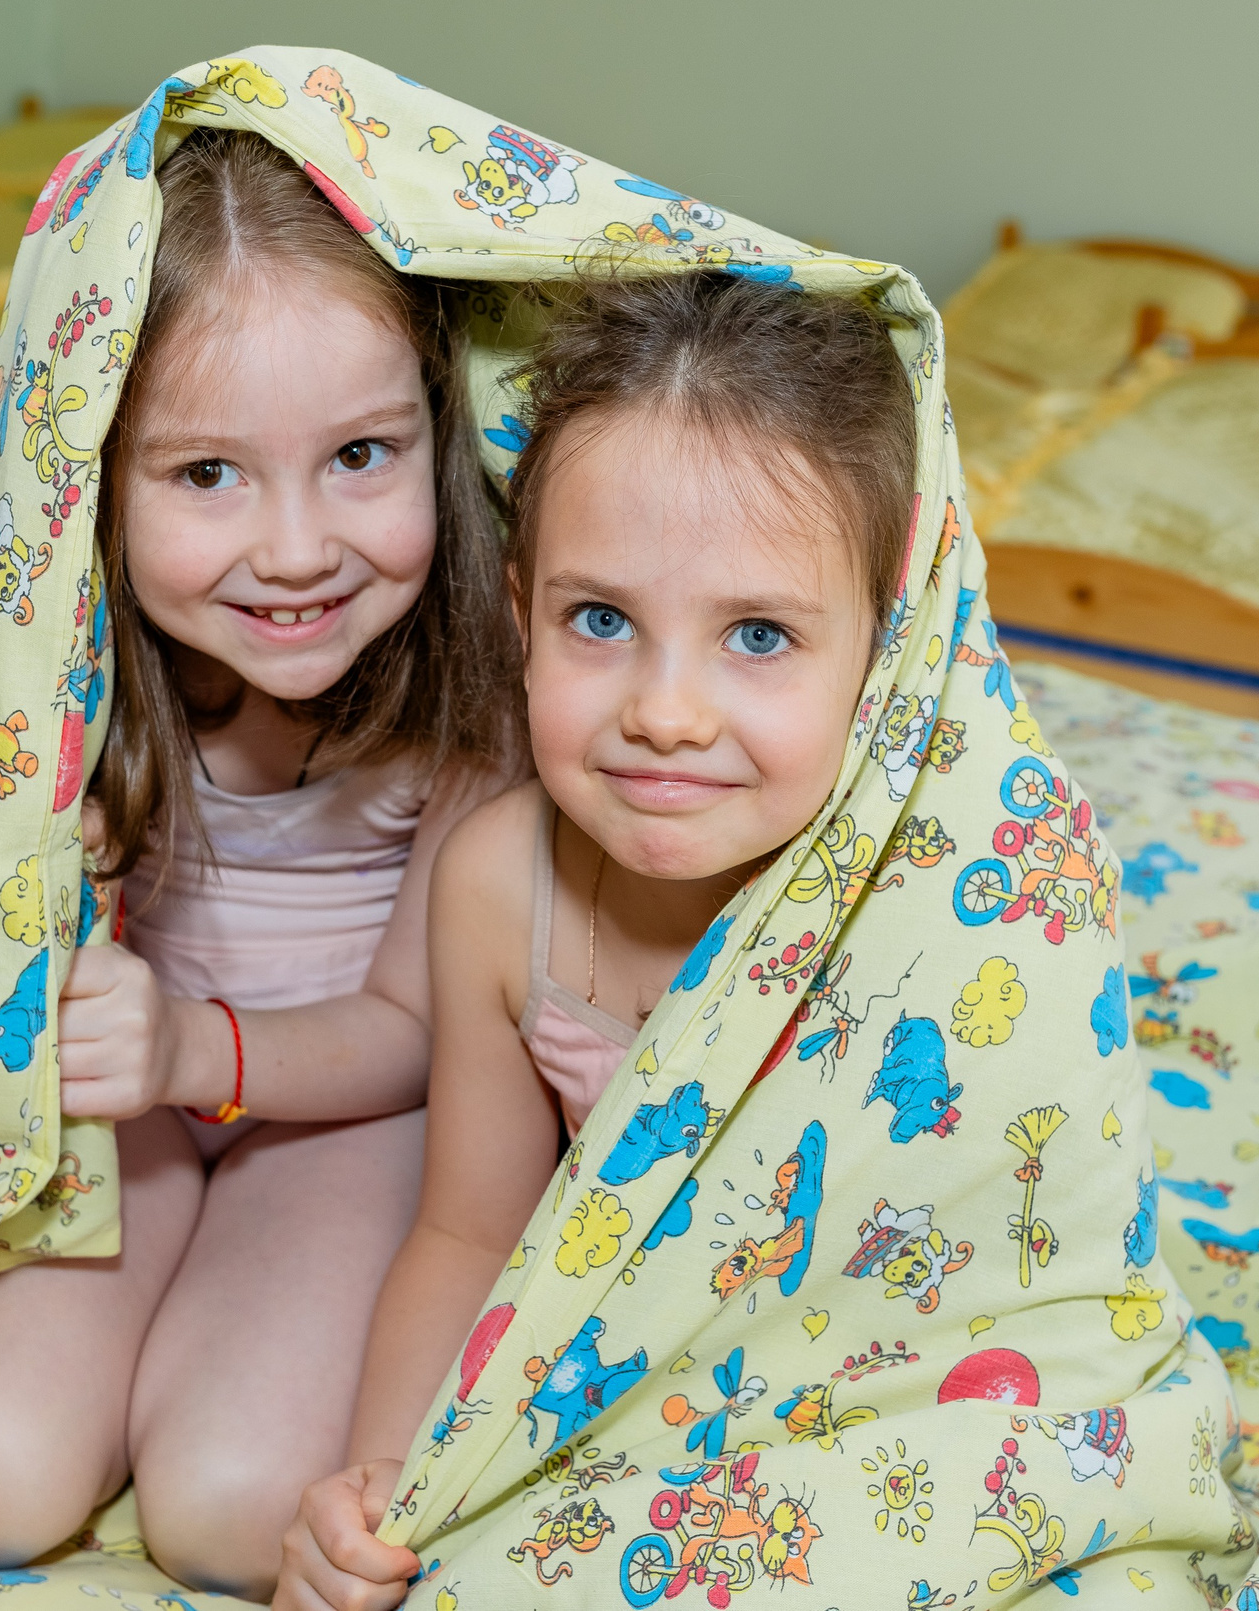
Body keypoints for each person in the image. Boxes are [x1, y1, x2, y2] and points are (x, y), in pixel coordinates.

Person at [0, 126, 523, 1595]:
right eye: (209, 472)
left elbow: (417, 1032)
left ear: (437, 426)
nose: (297, 550)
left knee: (233, 1514)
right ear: (94, 474)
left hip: (348, 1108)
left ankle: (189, 1307)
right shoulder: (46, 652)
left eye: (360, 456)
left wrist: (192, 1050)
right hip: (105, 1097)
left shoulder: (479, 675)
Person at [273, 269, 917, 1611]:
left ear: (887, 643)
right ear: (521, 614)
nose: (666, 713)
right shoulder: (500, 885)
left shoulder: (915, 912)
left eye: (758, 634)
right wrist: (386, 1490)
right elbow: (470, 1233)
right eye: (602, 621)